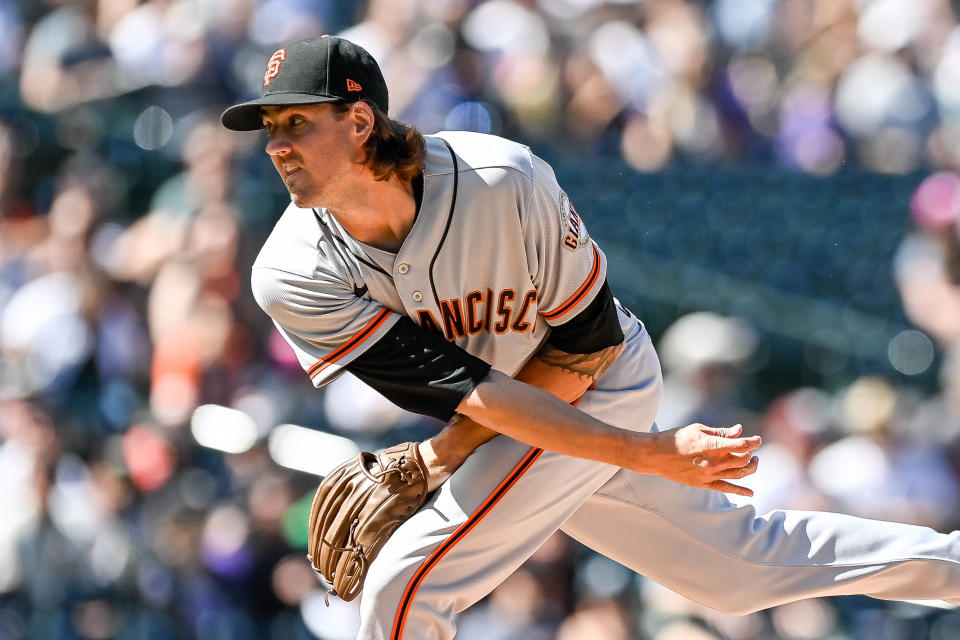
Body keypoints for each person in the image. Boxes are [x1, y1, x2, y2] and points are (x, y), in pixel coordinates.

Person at [222, 35, 960, 640]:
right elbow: (474, 396)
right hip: (503, 420)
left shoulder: (499, 179)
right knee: (735, 574)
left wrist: (634, 450)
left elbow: (587, 345)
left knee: (402, 590)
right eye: (270, 129)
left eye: (296, 123)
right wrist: (456, 452)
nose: (275, 145)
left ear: (359, 123)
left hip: (603, 384)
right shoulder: (292, 271)